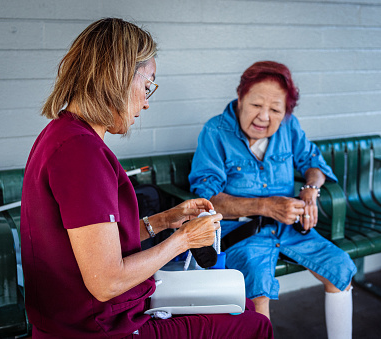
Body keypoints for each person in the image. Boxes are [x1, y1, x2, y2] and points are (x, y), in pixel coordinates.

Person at [20, 18, 273, 338]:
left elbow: (96, 244)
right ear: (120, 78)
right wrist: (184, 240)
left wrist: (167, 219)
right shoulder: (80, 153)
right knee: (254, 324)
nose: (147, 100)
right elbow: (107, 282)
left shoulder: (61, 133)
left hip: (75, 318)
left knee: (244, 305)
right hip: (97, 328)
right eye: (148, 84)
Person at [189, 61, 357, 338]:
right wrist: (266, 205)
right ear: (241, 98)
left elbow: (313, 162)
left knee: (340, 269)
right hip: (241, 231)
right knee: (257, 288)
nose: (264, 117)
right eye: (256, 105)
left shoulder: (289, 127)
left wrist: (310, 189)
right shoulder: (216, 131)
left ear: (286, 112)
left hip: (287, 226)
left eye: (275, 110)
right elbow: (208, 199)